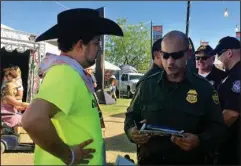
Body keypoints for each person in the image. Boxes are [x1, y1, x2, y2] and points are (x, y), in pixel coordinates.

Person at [21, 8, 123, 165]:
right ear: (80, 45)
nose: (99, 48)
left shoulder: (72, 72)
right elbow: (32, 120)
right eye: (96, 43)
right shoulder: (65, 73)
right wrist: (69, 155)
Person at [124, 30, 226, 165]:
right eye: (165, 56)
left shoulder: (204, 89)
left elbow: (218, 129)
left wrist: (199, 140)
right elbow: (131, 116)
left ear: (188, 54)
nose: (170, 61)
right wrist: (132, 132)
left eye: (176, 55)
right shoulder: (146, 85)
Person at [211, 36, 240, 165]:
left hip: (234, 148)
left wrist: (209, 134)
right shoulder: (232, 74)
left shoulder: (236, 77)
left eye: (219, 54)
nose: (218, 58)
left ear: (229, 53)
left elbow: (232, 113)